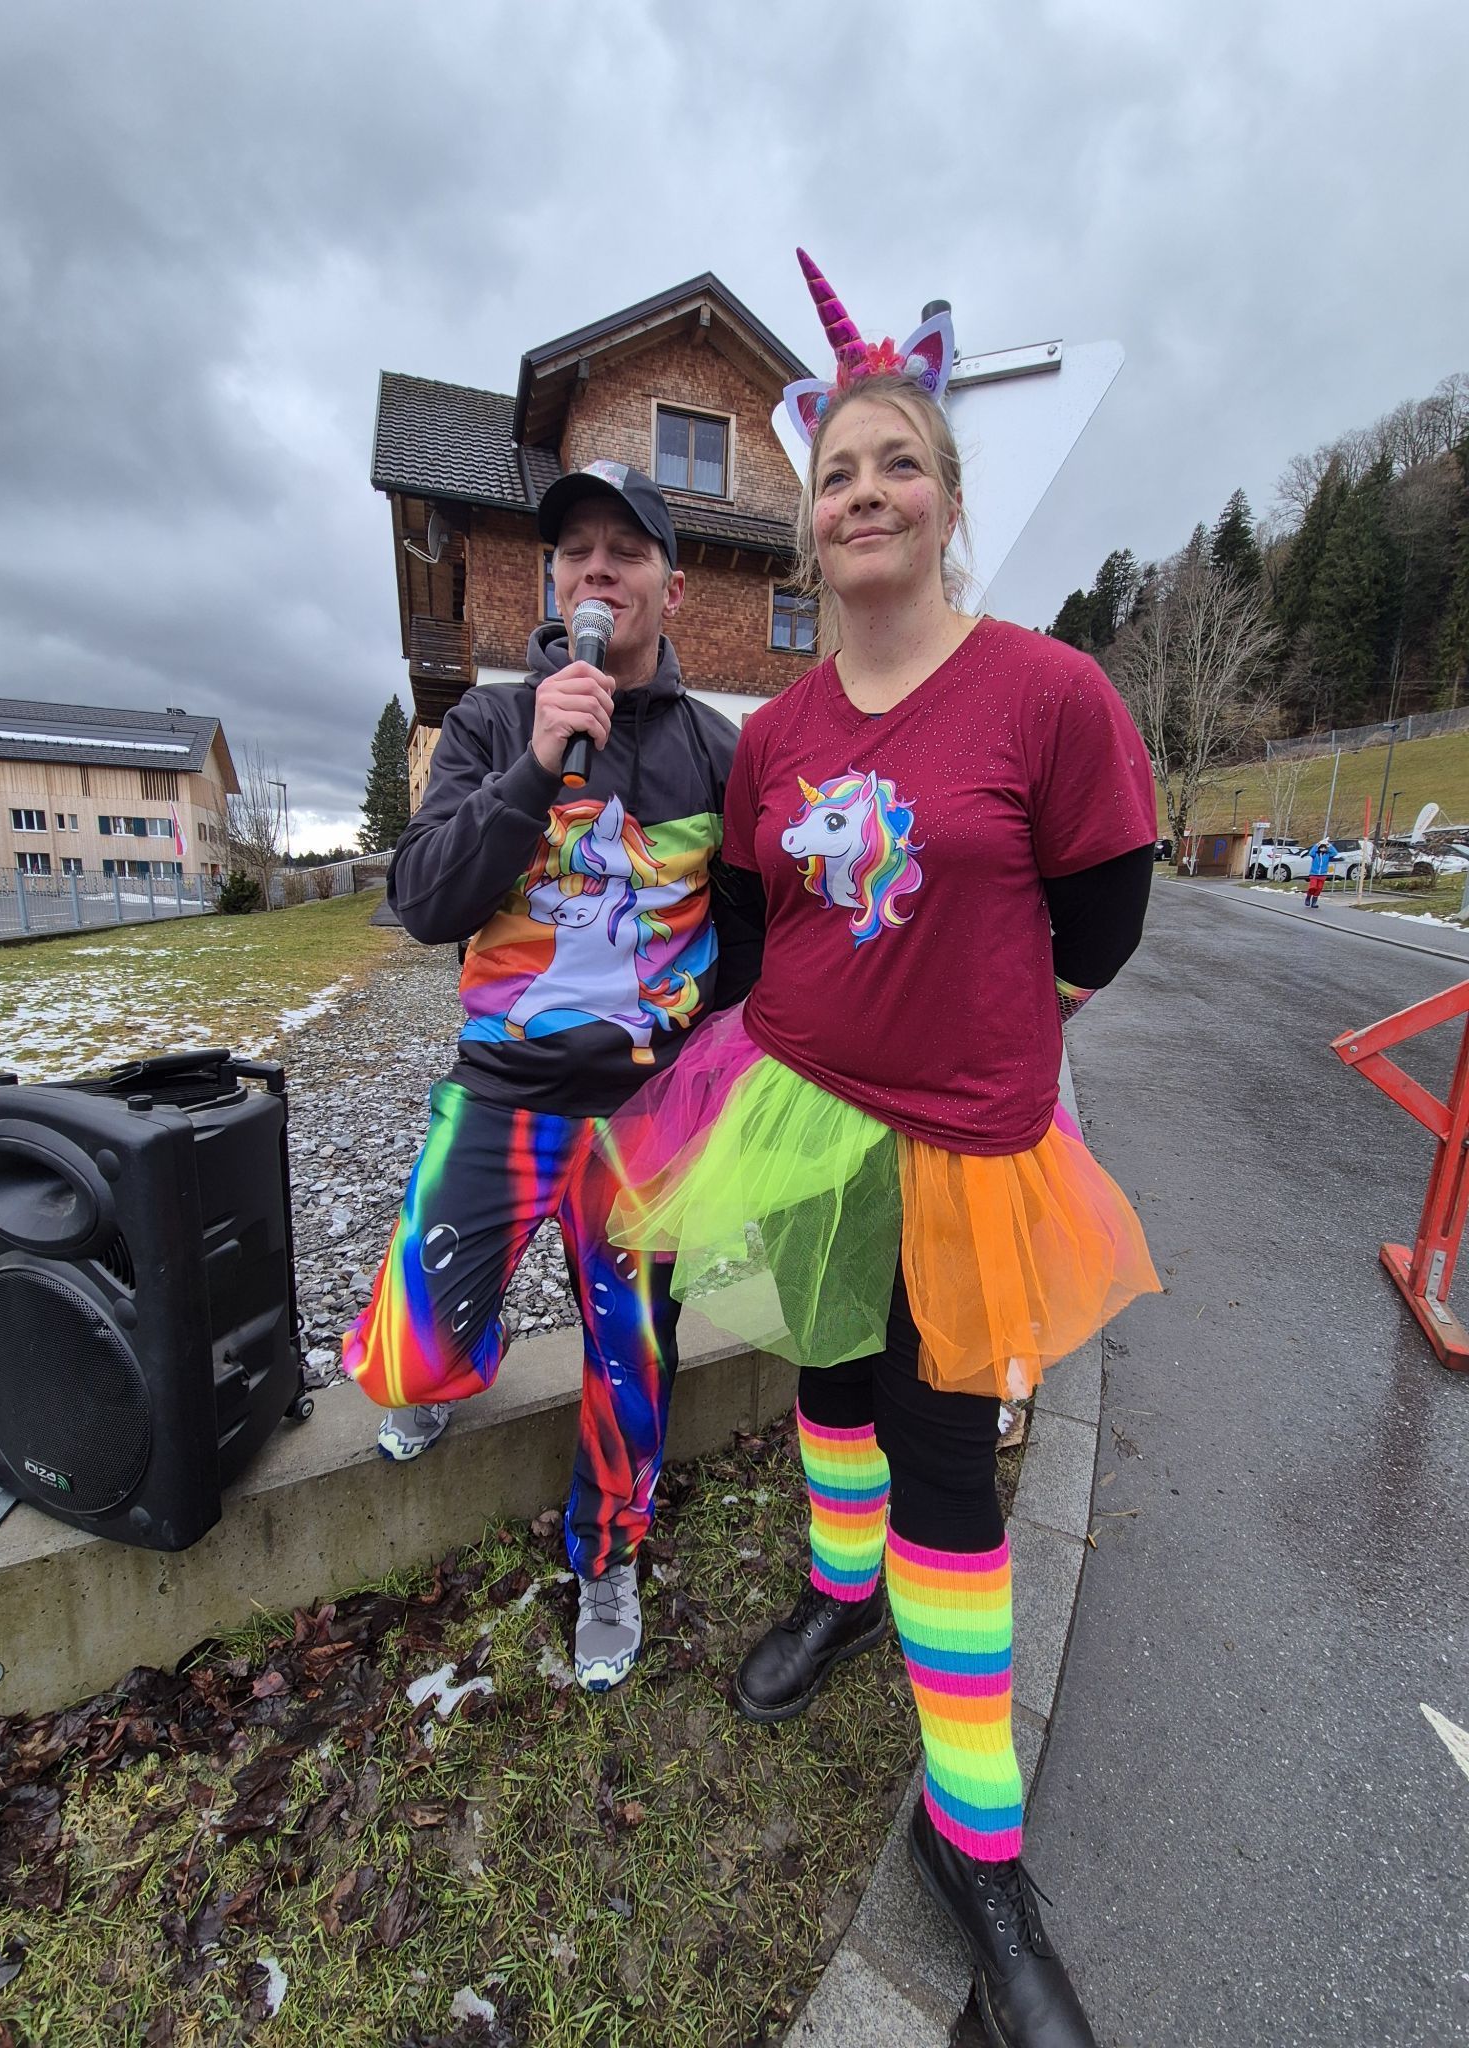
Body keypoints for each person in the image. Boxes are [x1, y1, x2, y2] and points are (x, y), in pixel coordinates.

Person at [603, 252, 1160, 2048]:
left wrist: (988, 1023)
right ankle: (837, 1597)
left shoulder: (1048, 696)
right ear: (809, 516)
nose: (862, 494)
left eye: (894, 466)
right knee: (827, 1381)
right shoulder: (774, 735)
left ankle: (973, 1840)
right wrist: (763, 1061)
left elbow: (1103, 917)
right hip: (804, 1118)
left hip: (964, 1152)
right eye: (836, 470)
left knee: (944, 1467)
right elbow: (759, 937)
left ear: (944, 503)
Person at [343, 459, 759, 1692]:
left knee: (634, 1352)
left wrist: (709, 1075)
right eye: (574, 550)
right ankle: (431, 1382)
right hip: (505, 1085)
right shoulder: (484, 723)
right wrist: (532, 768)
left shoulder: (717, 753)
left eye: (623, 552)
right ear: (554, 583)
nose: (595, 570)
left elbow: (750, 931)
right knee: (414, 1343)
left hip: (645, 1109)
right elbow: (422, 904)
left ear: (669, 590)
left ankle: (608, 1554)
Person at [1304, 836, 1335, 908]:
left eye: (1324, 847)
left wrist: (1328, 845)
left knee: (1319, 888)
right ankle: (1308, 898)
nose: (1323, 849)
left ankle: (1314, 902)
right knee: (1313, 887)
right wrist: (1317, 844)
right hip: (1314, 874)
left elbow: (1334, 853)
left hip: (1323, 874)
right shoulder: (1315, 855)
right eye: (1321, 847)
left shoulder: (1327, 855)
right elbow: (1311, 852)